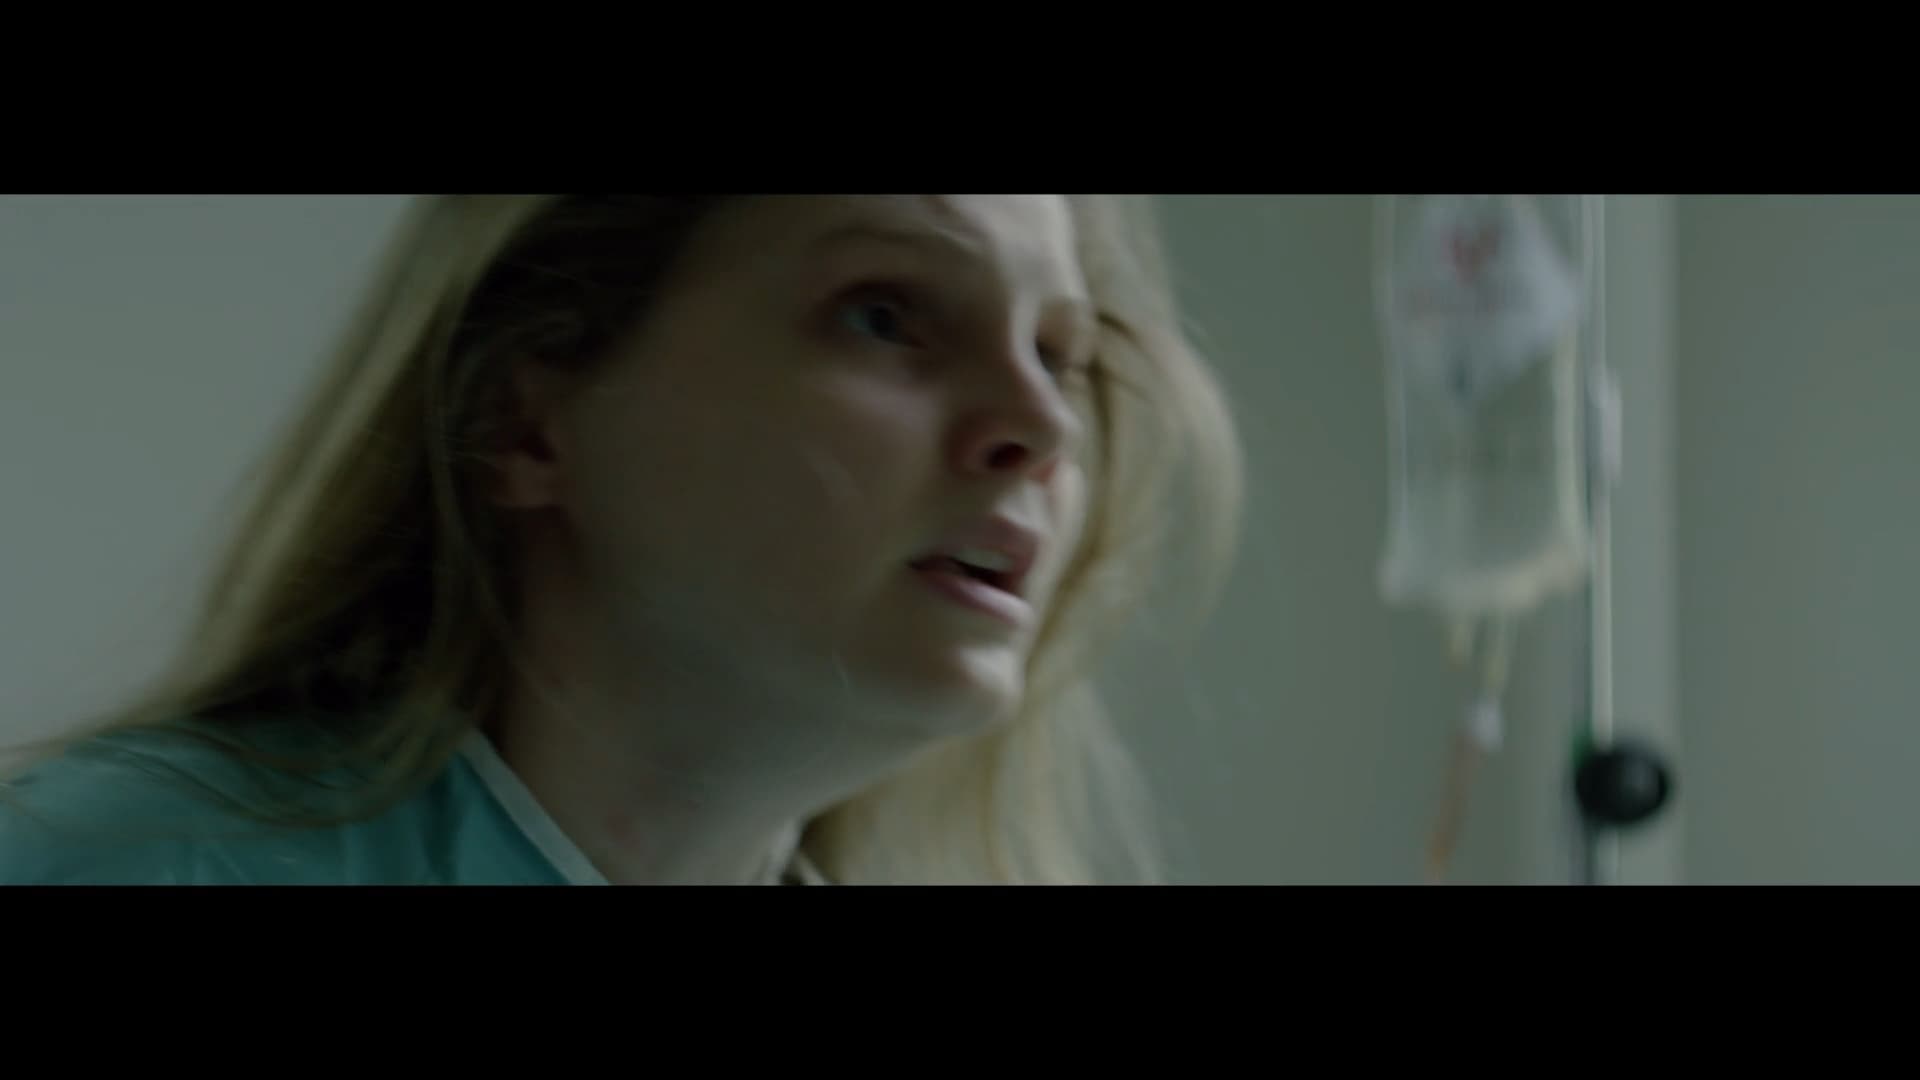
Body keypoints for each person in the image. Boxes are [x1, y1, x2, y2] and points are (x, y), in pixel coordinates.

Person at [0, 194, 1242, 885]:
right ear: (526, 420)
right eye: (884, 314)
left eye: (1060, 356)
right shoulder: (125, 865)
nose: (1041, 426)